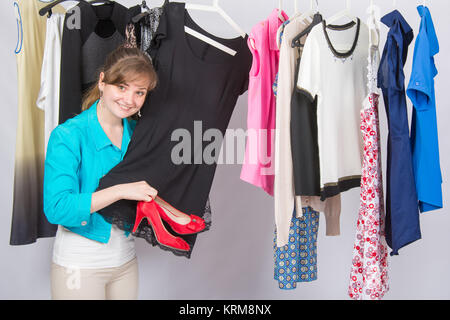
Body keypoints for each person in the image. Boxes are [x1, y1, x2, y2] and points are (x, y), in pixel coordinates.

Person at [44, 46, 161, 300]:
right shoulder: (68, 136)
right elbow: (57, 207)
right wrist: (120, 190)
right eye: (122, 87)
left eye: (139, 92)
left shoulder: (139, 136)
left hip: (125, 262)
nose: (129, 100)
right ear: (102, 81)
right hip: (79, 265)